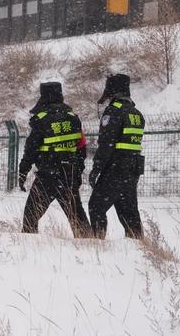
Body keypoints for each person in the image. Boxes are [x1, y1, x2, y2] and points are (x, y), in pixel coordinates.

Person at [19, 82, 91, 238]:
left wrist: (23, 171)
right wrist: (77, 172)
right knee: (78, 218)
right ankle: (91, 247)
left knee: (30, 218)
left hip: (47, 176)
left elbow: (31, 149)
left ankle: (28, 247)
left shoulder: (41, 118)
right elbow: (81, 148)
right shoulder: (73, 118)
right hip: (68, 174)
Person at [88, 74, 145, 239]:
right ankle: (138, 245)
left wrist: (97, 168)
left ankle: (98, 245)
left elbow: (107, 144)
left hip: (116, 167)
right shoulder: (136, 114)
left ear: (111, 91)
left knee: (96, 206)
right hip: (133, 168)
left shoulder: (113, 111)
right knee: (128, 210)